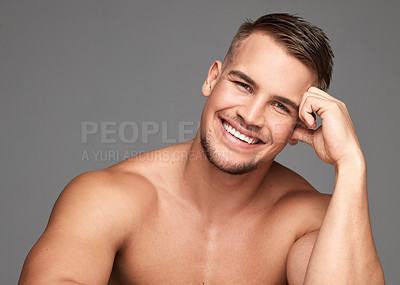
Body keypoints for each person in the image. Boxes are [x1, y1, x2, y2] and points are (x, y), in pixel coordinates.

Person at [19, 13, 384, 284]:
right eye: (243, 84)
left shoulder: (312, 221)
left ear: (300, 125)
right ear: (213, 78)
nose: (250, 116)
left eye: (280, 106)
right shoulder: (108, 197)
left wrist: (351, 164)